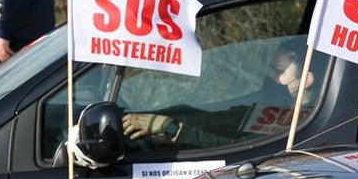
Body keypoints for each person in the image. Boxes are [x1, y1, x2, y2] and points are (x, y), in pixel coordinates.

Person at [121, 38, 318, 149]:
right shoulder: (271, 107)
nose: (270, 76)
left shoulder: (305, 125)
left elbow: (237, 149)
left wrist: (170, 128)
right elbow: (213, 119)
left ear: (307, 79)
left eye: (279, 71)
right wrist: (168, 118)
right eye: (270, 68)